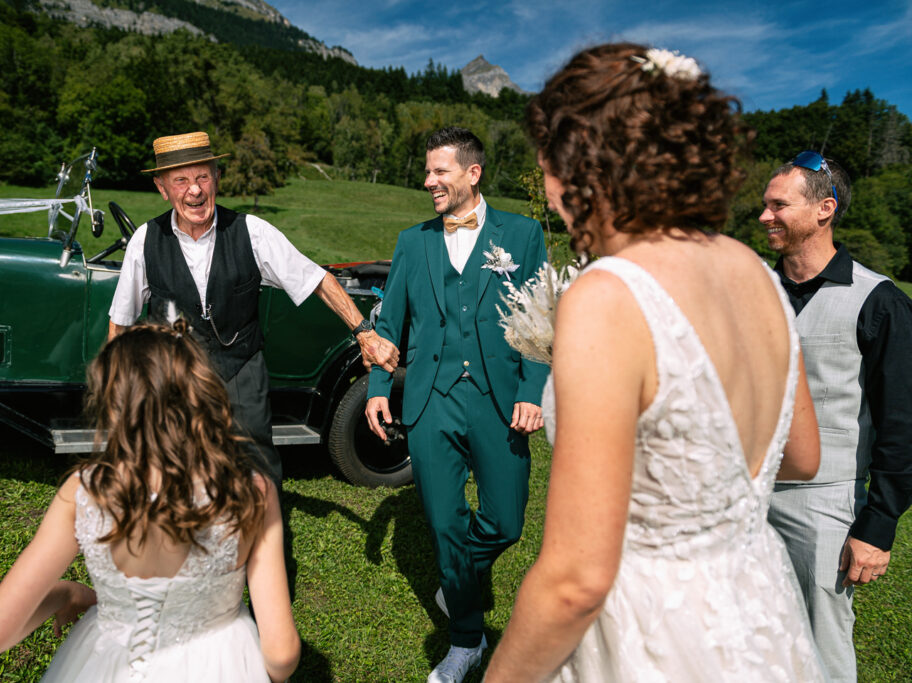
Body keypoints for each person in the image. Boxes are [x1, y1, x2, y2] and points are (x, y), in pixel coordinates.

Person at [483, 43, 826, 681]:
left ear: (588, 166)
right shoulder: (758, 274)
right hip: (760, 610)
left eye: (550, 169)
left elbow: (575, 581)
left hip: (652, 630)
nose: (551, 197)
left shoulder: (609, 295)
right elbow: (803, 457)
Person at [0, 321, 300, 682]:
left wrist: (65, 594)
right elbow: (281, 655)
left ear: (112, 403)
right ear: (201, 394)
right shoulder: (252, 491)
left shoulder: (83, 492)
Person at [109, 131, 399, 486]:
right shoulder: (145, 240)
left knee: (255, 473)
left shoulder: (252, 231)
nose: (194, 190)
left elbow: (317, 279)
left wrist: (365, 334)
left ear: (217, 178)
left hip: (240, 371)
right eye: (181, 180)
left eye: (202, 177)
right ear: (162, 188)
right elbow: (120, 321)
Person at [365, 126, 548, 683]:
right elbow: (389, 323)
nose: (428, 181)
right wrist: (378, 387)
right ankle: (465, 640)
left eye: (439, 171)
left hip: (499, 399)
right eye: (427, 171)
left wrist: (532, 392)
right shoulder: (412, 241)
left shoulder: (523, 234)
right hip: (430, 400)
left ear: (473, 173)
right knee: (446, 525)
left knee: (507, 521)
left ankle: (458, 578)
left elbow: (540, 320)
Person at [761, 152, 912, 681]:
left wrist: (879, 524)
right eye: (765, 204)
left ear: (824, 209)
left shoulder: (879, 301)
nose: (765, 215)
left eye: (779, 205)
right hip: (743, 495)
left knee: (820, 654)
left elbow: (902, 423)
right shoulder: (751, 291)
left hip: (824, 504)